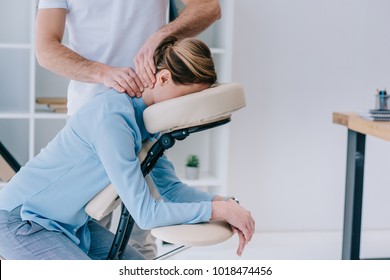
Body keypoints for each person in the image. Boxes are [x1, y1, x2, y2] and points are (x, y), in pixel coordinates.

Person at [0, 37, 255, 260]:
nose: (186, 110)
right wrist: (216, 212)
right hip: (21, 220)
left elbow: (171, 190)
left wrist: (222, 203)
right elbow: (145, 214)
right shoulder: (113, 120)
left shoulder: (149, 124)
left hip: (69, 224)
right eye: (187, 98)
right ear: (164, 78)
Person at [35, 0, 222, 258]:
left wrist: (162, 34)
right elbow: (45, 49)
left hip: (148, 116)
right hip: (93, 121)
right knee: (86, 233)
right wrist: (102, 73)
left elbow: (209, 7)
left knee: (139, 240)